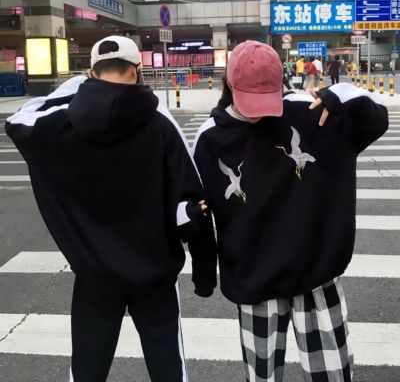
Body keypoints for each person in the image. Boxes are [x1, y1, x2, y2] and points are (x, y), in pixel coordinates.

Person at [6, 36, 218, 382]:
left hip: (95, 274)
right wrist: (204, 273)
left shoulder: (63, 122)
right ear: (137, 70)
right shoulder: (160, 121)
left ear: (91, 73)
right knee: (168, 366)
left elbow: (18, 121)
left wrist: (79, 86)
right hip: (154, 273)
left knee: (88, 368)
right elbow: (194, 200)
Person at [192, 40, 388, 382]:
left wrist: (344, 95)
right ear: (229, 83)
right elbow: (199, 211)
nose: (258, 111)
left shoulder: (311, 111)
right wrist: (204, 273)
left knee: (331, 374)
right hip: (255, 280)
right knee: (263, 375)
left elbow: (376, 120)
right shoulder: (210, 139)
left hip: (316, 272)